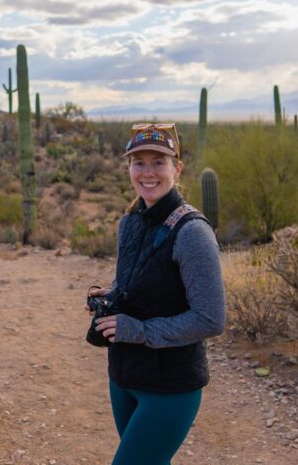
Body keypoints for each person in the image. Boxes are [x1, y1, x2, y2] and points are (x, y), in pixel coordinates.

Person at [86, 122, 226, 465]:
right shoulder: (130, 221)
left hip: (169, 388)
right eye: (139, 162)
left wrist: (139, 330)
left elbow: (210, 318)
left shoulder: (192, 231)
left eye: (158, 162)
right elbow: (135, 281)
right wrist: (113, 294)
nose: (148, 172)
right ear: (129, 168)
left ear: (176, 168)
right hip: (123, 376)